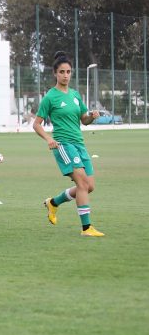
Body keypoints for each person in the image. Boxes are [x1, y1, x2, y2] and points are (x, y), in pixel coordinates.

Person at [35, 52, 103, 237]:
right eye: (62, 72)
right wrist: (49, 139)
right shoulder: (50, 97)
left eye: (68, 71)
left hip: (79, 144)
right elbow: (36, 124)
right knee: (81, 183)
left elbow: (84, 120)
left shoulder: (74, 95)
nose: (66, 75)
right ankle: (86, 228)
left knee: (89, 186)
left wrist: (92, 117)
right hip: (63, 144)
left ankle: (53, 203)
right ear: (55, 74)